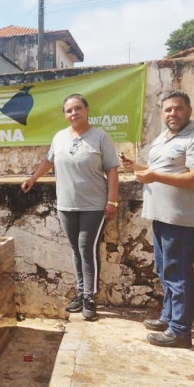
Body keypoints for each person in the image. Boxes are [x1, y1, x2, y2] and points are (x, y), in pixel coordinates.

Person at [121, 90, 194, 349]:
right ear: (162, 113)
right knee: (165, 271)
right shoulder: (164, 138)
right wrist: (136, 167)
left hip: (181, 219)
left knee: (179, 274)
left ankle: (180, 332)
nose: (173, 113)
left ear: (189, 110)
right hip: (160, 215)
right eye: (168, 110)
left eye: (178, 108)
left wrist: (154, 177)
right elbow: (159, 171)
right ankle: (169, 317)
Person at [21, 94, 120, 321]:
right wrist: (33, 179)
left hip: (94, 205)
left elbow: (112, 170)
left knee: (86, 248)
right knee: (76, 249)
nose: (74, 113)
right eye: (69, 110)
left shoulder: (100, 137)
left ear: (86, 110)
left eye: (78, 108)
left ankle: (90, 297)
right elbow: (49, 161)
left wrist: (112, 201)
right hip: (66, 205)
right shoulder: (59, 137)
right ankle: (81, 291)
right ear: (65, 115)